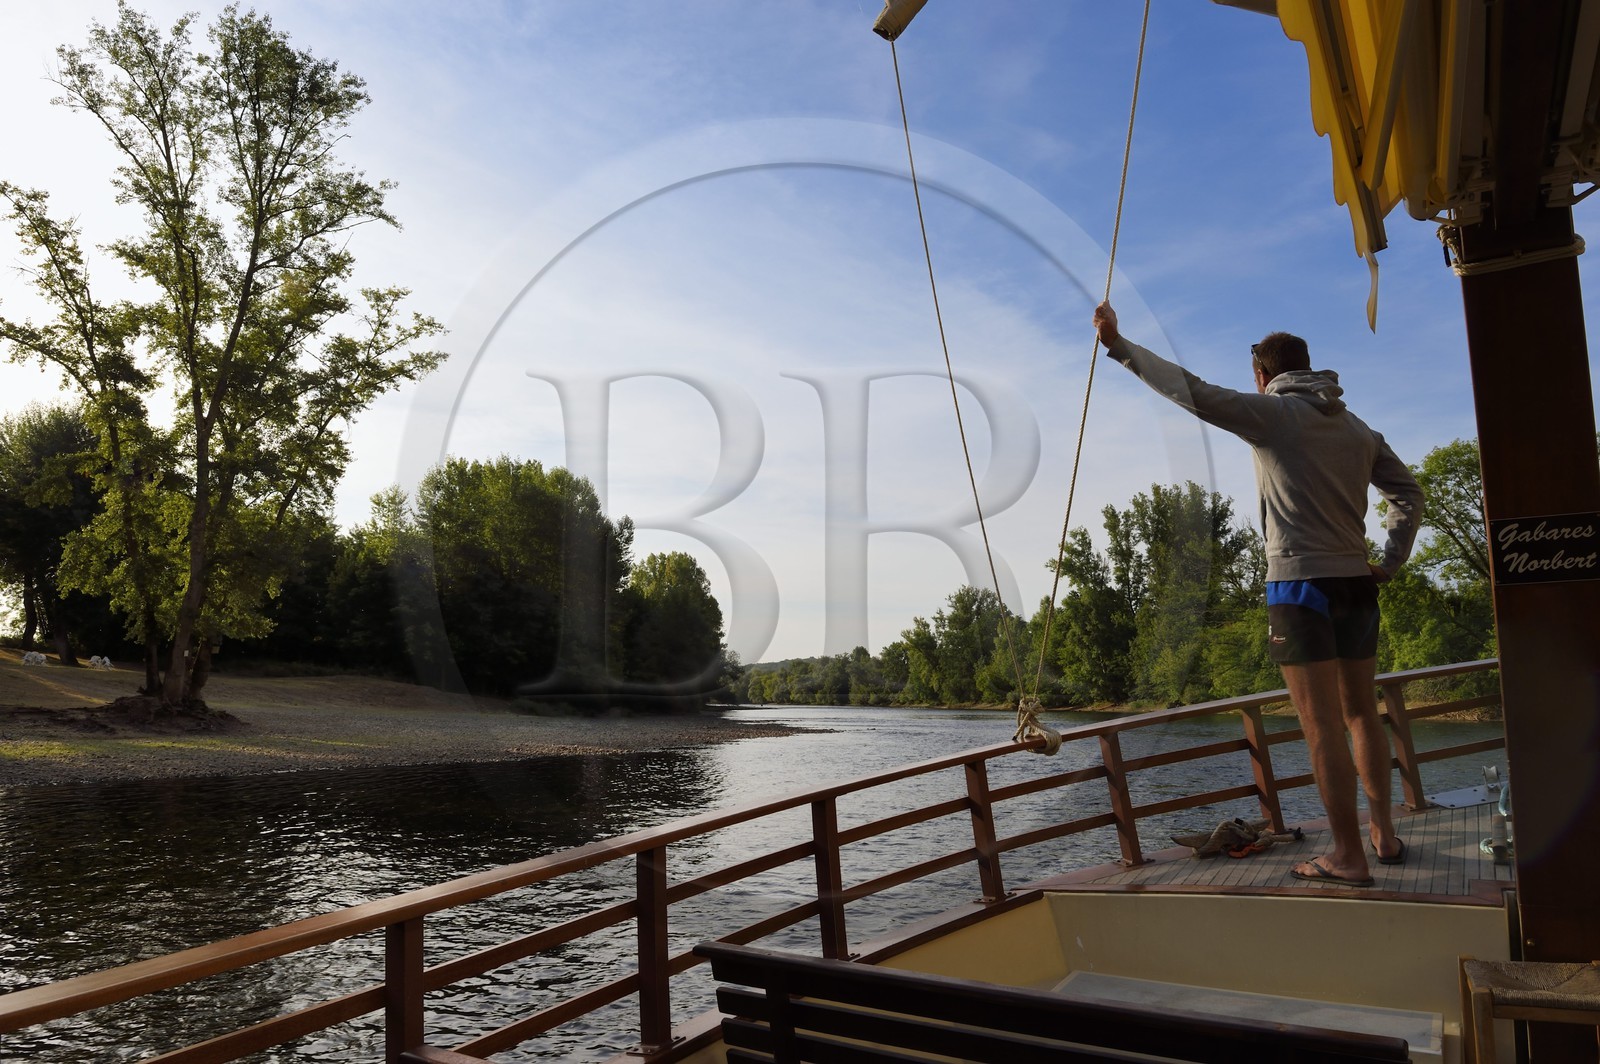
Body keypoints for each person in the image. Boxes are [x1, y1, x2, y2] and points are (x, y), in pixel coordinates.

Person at [1092, 301, 1424, 887]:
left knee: (1319, 725)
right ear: (1310, 367)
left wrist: (1120, 347)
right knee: (1360, 715)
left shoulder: (1272, 415)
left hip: (1300, 587)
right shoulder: (1358, 429)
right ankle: (1383, 835)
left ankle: (1346, 856)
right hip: (1355, 584)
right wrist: (1390, 563)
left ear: (1262, 375)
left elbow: (1190, 390)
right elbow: (1410, 497)